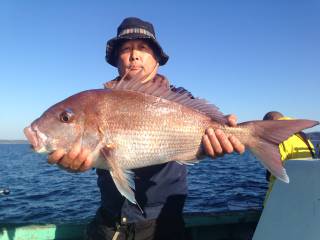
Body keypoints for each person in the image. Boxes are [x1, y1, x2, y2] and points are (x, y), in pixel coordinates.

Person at [48, 17, 245, 240]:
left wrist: (223, 130)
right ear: (116, 60)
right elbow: (96, 151)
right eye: (126, 48)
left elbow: (212, 126)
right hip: (109, 223)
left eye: (143, 47)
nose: (134, 55)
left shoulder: (180, 99)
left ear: (157, 60)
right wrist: (72, 164)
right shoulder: (98, 102)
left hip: (164, 225)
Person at [263, 111, 316, 203]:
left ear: (270, 122)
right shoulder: (302, 136)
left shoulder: (276, 137)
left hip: (280, 196)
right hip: (305, 192)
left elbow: (273, 170)